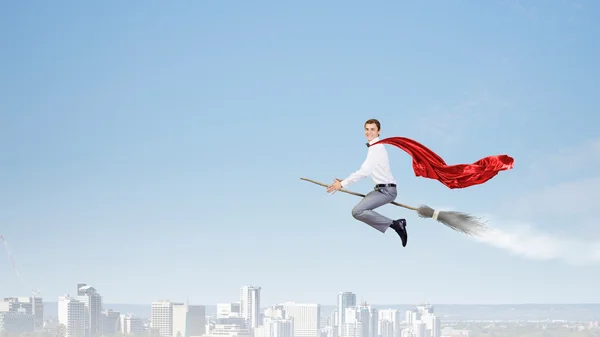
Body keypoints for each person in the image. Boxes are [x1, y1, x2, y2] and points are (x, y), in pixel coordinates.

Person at [326, 119, 408, 247]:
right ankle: (396, 224)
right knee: (358, 211)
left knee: (357, 211)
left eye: (372, 129)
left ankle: (397, 225)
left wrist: (342, 184)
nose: (369, 132)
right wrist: (344, 181)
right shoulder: (374, 148)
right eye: (367, 129)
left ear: (379, 131)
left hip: (387, 192)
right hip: (379, 190)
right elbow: (367, 171)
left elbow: (364, 171)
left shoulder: (377, 148)